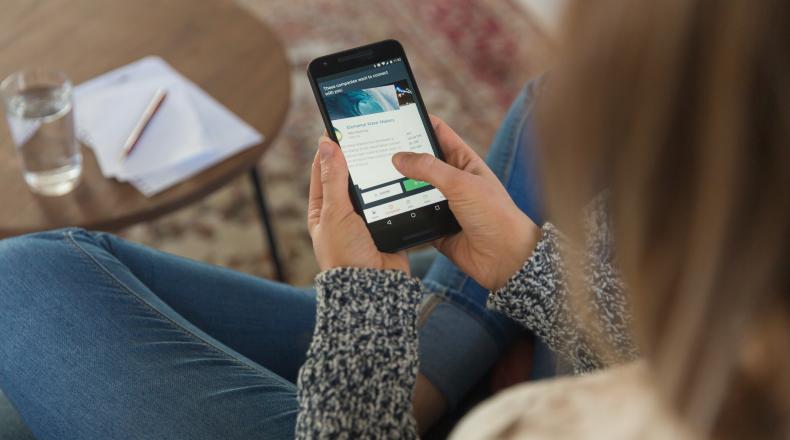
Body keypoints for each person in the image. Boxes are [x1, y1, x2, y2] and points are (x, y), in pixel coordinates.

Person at [2, 0, 788, 438]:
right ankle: (449, 361)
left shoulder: (563, 426)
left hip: (364, 420)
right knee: (553, 106)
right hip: (588, 344)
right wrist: (520, 264)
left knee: (26, 279)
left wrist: (366, 302)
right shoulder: (742, 355)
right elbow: (674, 359)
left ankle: (425, 383)